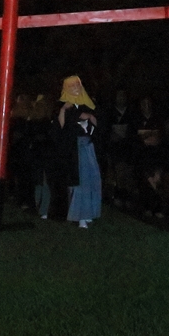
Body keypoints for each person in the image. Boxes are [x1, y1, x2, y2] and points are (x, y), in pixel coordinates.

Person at [54, 76, 102, 229]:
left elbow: (96, 124)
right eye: (71, 86)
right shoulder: (63, 106)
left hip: (88, 147)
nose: (75, 88)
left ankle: (88, 213)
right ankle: (80, 215)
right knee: (80, 182)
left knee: (92, 180)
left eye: (77, 85)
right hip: (74, 150)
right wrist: (64, 110)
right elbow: (61, 128)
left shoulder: (87, 104)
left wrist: (91, 118)